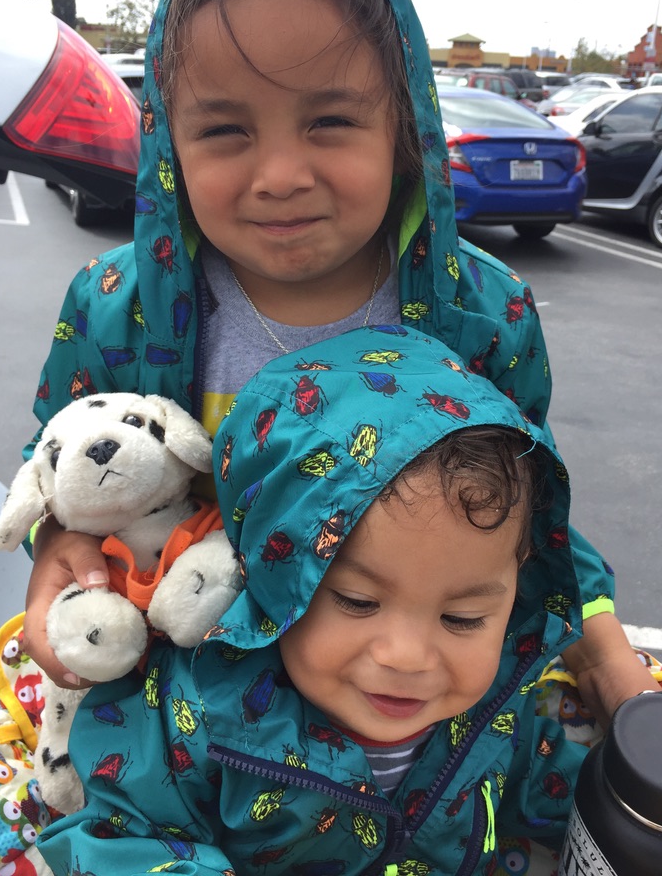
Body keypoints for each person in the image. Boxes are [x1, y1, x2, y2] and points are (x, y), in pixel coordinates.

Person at [21, 0, 659, 723]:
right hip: (179, 716)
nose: (282, 174)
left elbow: (519, 514)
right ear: (169, 142)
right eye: (225, 129)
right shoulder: (118, 309)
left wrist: (604, 659)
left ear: (404, 127)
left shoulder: (480, 314)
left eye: (330, 121)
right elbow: (57, 471)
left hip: (410, 708)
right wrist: (58, 541)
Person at [39, 326, 588, 875]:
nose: (407, 656)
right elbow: (118, 836)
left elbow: (570, 793)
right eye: (358, 601)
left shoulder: (501, 704)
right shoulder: (198, 714)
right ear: (271, 577)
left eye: (462, 619)